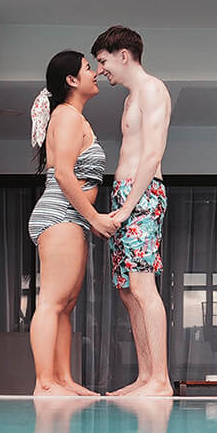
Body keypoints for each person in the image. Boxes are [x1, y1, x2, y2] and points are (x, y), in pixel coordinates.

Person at [91, 25, 173, 398]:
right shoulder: (129, 98)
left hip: (141, 197)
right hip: (125, 194)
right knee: (126, 290)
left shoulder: (153, 89)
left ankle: (161, 380)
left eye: (104, 61)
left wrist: (126, 208)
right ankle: (145, 377)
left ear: (124, 54)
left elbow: (152, 153)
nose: (101, 70)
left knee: (142, 285)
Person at [24, 50, 112, 397]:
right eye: (89, 68)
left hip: (68, 217)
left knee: (66, 304)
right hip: (62, 214)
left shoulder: (72, 117)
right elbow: (62, 173)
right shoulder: (68, 117)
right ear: (72, 80)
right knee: (53, 301)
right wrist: (94, 218)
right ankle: (45, 382)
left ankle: (63, 379)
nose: (96, 73)